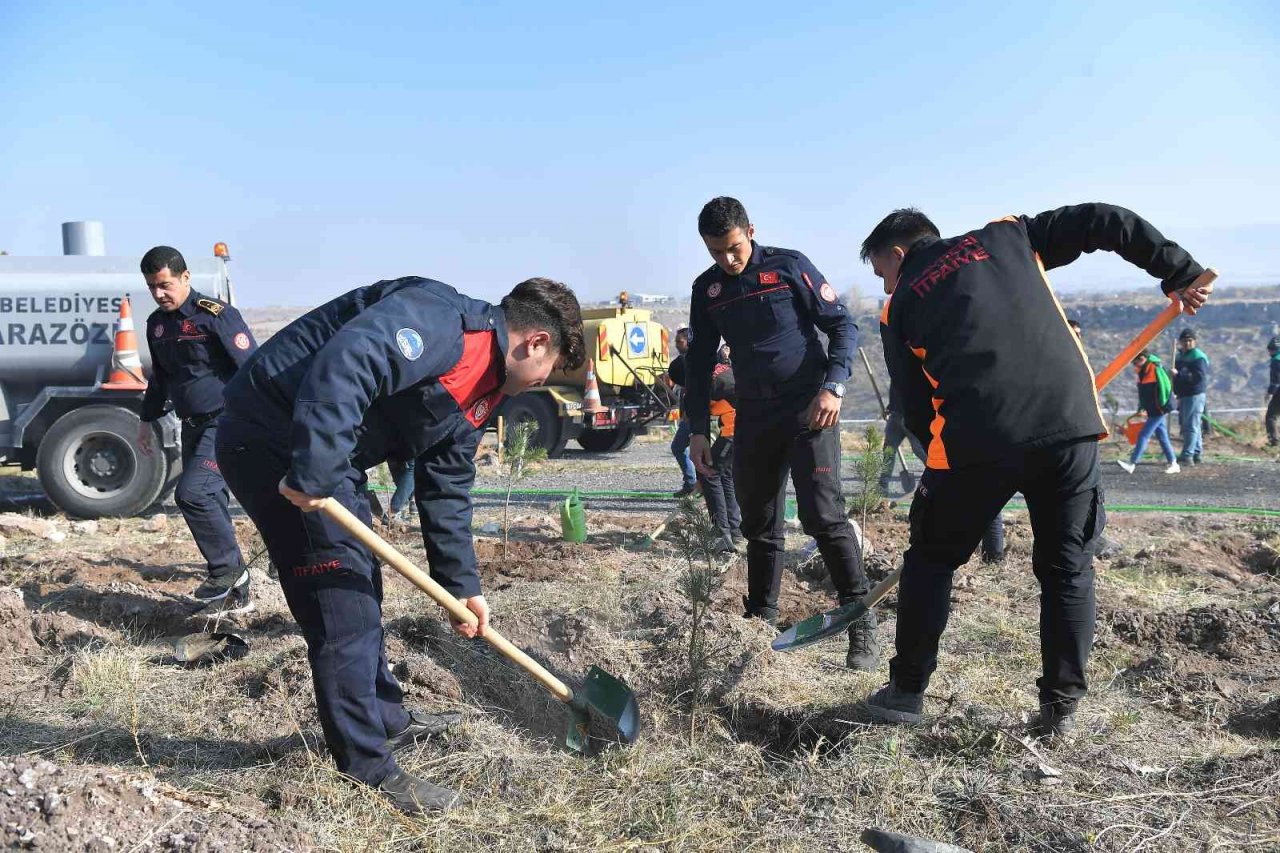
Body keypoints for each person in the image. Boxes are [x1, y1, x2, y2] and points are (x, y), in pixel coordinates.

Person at [214, 276, 584, 813]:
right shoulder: (441, 322)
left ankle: (388, 718)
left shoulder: (485, 389)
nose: (541, 383)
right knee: (341, 605)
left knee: (362, 583)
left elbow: (447, 485)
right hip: (276, 438)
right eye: (547, 372)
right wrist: (315, 467)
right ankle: (367, 767)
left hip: (327, 457)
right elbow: (349, 362)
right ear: (536, 343)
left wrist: (462, 587)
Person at [860, 203, 1210, 738]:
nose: (886, 285)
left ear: (899, 254)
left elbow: (913, 406)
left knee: (930, 560)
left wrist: (939, 475)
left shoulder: (901, 304)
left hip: (973, 439)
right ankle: (1060, 711)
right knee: (1067, 568)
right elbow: (1103, 220)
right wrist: (1178, 270)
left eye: (882, 272)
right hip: (1067, 424)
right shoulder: (1010, 237)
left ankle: (905, 692)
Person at [684, 196, 878, 671]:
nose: (728, 261)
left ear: (750, 231)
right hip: (753, 415)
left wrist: (833, 387)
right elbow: (699, 363)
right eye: (715, 252)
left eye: (733, 248)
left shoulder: (788, 267)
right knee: (760, 524)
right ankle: (760, 621)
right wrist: (697, 429)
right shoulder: (708, 289)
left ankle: (861, 621)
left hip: (810, 410)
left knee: (823, 517)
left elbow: (842, 325)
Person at [138, 246, 257, 609]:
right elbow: (160, 379)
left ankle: (226, 571)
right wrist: (146, 421)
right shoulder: (156, 325)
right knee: (212, 502)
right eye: (152, 287)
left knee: (193, 494)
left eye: (165, 285)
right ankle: (237, 597)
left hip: (226, 423)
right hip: (190, 426)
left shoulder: (216, 316)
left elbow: (253, 368)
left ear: (185, 277)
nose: (159, 293)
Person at [700, 361, 742, 554]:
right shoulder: (722, 369)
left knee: (710, 474)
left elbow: (697, 424)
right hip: (742, 428)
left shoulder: (701, 382)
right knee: (725, 477)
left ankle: (722, 533)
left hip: (731, 432)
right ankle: (734, 529)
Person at [1117, 350, 1179, 474]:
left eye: (1138, 360)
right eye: (1135, 362)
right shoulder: (1142, 372)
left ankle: (1132, 463)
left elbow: (1165, 388)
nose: (1136, 364)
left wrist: (1162, 407)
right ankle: (1174, 463)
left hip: (1159, 409)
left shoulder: (1156, 369)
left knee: (1143, 435)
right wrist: (1141, 408)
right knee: (1162, 437)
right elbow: (1143, 393)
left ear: (1144, 358)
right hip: (1153, 409)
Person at [667, 328, 699, 498]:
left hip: (695, 416)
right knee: (679, 447)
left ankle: (696, 484)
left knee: (691, 450)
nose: (677, 345)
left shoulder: (694, 362)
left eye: (680, 342)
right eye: (676, 342)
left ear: (688, 342)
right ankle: (692, 483)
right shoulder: (683, 362)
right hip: (689, 415)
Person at [1172, 328, 1210, 465]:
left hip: (1194, 394)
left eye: (1190, 340)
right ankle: (1197, 453)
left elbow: (1198, 377)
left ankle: (1187, 455)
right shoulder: (1179, 357)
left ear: (1194, 341)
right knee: (1192, 424)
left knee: (1190, 425)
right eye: (1184, 341)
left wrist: (1179, 375)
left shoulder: (1198, 357)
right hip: (1183, 394)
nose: (1187, 343)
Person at [1266, 336, 1280, 447]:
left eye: (1271, 349)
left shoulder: (1276, 360)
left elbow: (1275, 380)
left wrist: (1270, 393)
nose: (1270, 352)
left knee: (1271, 416)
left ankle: (1274, 442)